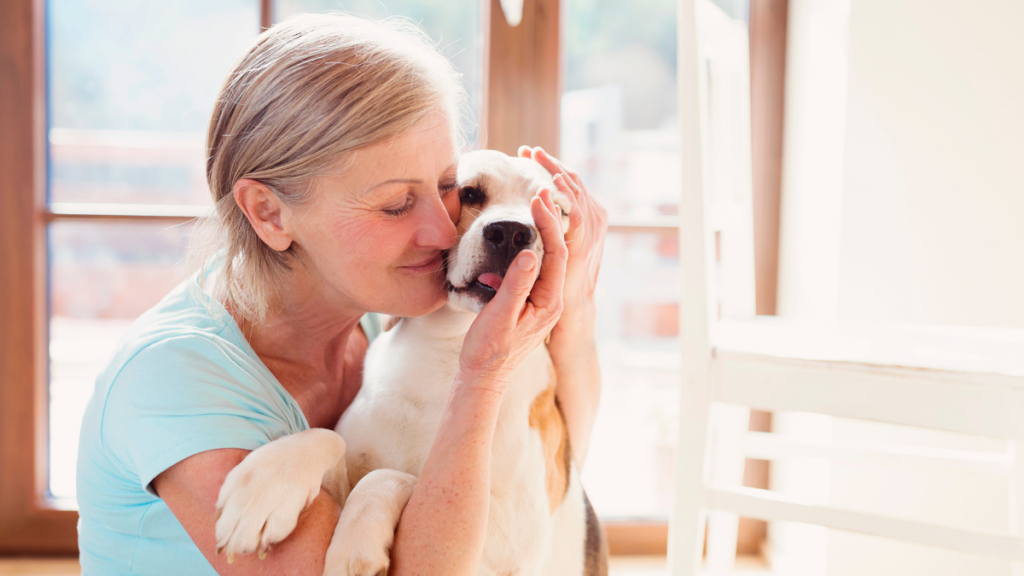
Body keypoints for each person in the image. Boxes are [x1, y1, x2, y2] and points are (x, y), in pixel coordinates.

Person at [76, 13, 607, 576]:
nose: (444, 230)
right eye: (396, 204)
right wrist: (482, 376)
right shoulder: (173, 381)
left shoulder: (386, 314)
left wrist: (573, 304)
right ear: (269, 213)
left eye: (446, 187)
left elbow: (559, 455)